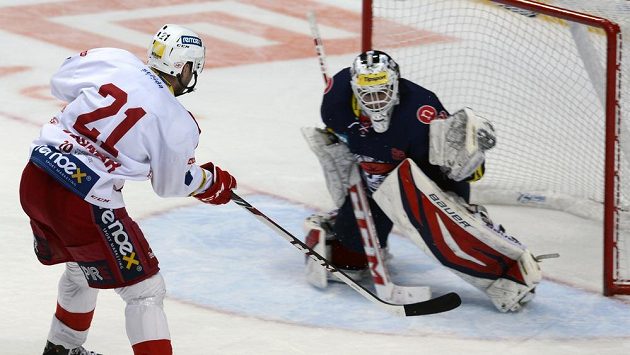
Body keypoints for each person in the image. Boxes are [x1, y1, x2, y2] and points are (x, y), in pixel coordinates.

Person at [19, 24, 237, 355]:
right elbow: (170, 183)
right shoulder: (177, 121)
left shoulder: (114, 60)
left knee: (80, 268)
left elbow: (60, 84)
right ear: (186, 67)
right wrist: (209, 182)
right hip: (82, 200)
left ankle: (61, 349)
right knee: (145, 291)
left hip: (37, 176)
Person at [302, 50, 542, 312]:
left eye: (382, 92)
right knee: (347, 255)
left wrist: (472, 159)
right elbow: (341, 137)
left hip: (422, 177)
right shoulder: (336, 103)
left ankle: (506, 273)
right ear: (354, 89)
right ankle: (343, 235)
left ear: (395, 84)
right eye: (367, 94)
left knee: (445, 233)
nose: (375, 101)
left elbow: (458, 171)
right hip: (374, 177)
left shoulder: (421, 110)